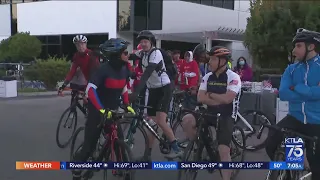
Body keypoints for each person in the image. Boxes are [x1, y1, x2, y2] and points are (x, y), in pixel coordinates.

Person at [72, 38, 135, 180]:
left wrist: (126, 105)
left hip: (112, 111)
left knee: (120, 143)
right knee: (89, 146)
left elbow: (124, 87)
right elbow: (91, 90)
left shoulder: (125, 69)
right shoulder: (103, 69)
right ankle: (77, 169)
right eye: (125, 52)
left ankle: (125, 171)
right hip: (97, 110)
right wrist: (101, 109)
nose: (128, 55)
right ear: (116, 54)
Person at [265, 28, 320, 180]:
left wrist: (297, 87)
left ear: (311, 46)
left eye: (298, 46)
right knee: (272, 142)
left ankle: (308, 165)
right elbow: (283, 93)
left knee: (317, 169)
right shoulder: (291, 69)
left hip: (316, 121)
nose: (294, 50)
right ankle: (290, 171)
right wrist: (312, 91)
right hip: (294, 119)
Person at [179, 46, 241, 180]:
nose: (209, 62)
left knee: (223, 151)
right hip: (209, 112)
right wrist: (217, 98)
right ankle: (199, 145)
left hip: (226, 115)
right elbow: (200, 98)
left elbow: (228, 99)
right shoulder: (207, 77)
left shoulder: (233, 77)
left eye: (213, 59)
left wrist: (210, 94)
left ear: (223, 61)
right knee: (187, 120)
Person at [129, 30, 182, 161]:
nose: (143, 44)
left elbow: (147, 73)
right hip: (152, 89)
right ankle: (147, 155)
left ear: (151, 42)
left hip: (164, 89)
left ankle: (177, 149)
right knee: (151, 124)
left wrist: (136, 91)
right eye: (141, 42)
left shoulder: (155, 53)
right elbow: (130, 56)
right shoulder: (143, 53)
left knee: (160, 120)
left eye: (146, 42)